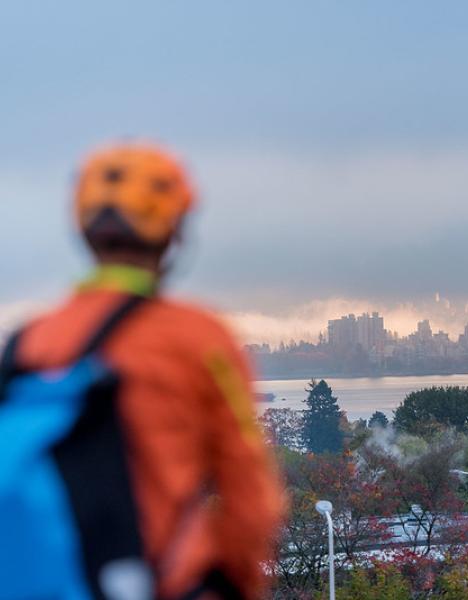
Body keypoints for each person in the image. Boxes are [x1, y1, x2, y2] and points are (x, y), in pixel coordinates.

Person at [3, 144, 284, 599]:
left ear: (84, 232)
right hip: (163, 581)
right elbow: (248, 493)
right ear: (173, 233)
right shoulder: (200, 339)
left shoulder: (29, 343)